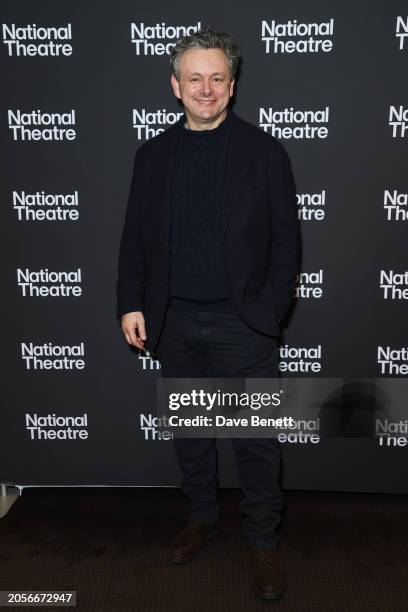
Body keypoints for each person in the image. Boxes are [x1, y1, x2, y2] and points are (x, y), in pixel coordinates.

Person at [117, 28, 300, 601]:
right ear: (175, 86)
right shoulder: (151, 157)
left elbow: (286, 245)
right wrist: (131, 301)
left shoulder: (266, 153)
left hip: (242, 325)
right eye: (193, 77)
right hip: (175, 324)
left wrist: (266, 312)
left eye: (216, 77)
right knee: (192, 434)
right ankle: (201, 517)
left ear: (232, 85)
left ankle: (263, 541)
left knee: (256, 442)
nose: (205, 88)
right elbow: (134, 242)